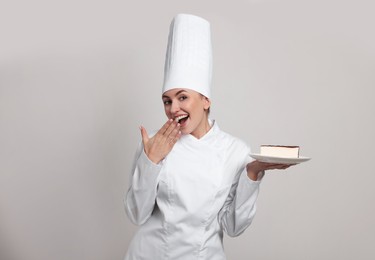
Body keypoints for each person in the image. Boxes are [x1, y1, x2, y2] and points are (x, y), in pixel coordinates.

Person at [124, 14, 293, 260]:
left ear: (205, 100)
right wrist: (150, 162)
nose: (173, 109)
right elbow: (136, 215)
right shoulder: (154, 142)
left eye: (183, 97)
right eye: (167, 101)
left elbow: (234, 227)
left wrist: (253, 172)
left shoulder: (235, 151)